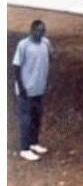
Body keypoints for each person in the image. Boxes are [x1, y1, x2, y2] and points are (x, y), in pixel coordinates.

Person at [12, 19, 54, 162]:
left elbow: (50, 57)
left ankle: (34, 143)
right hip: (26, 90)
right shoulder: (23, 45)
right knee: (26, 119)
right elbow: (16, 67)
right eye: (38, 30)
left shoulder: (46, 43)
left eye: (43, 31)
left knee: (37, 117)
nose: (40, 33)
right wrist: (21, 87)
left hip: (39, 88)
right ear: (31, 30)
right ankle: (24, 149)